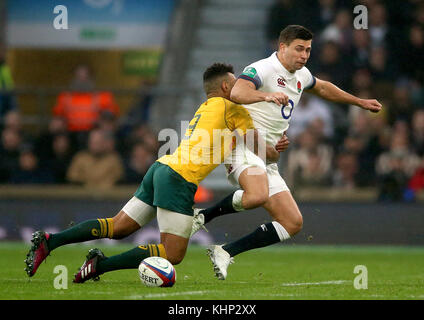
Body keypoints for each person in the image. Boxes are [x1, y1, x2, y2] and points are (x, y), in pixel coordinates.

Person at [24, 63, 282, 283]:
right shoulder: (233, 110)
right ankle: (99, 265)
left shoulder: (206, 108)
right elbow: (262, 150)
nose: (239, 89)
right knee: (172, 255)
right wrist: (277, 148)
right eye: (235, 84)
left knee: (118, 226)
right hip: (179, 180)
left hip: (161, 168)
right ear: (226, 88)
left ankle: (50, 241)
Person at [191, 25, 382, 280]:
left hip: (267, 155)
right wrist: (267, 96)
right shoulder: (263, 68)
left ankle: (226, 251)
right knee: (257, 194)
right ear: (282, 47)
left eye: (308, 50)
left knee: (292, 223)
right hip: (245, 143)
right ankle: (203, 216)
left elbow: (323, 88)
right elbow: (237, 92)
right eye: (299, 49)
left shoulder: (302, 74)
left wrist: (359, 102)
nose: (304, 55)